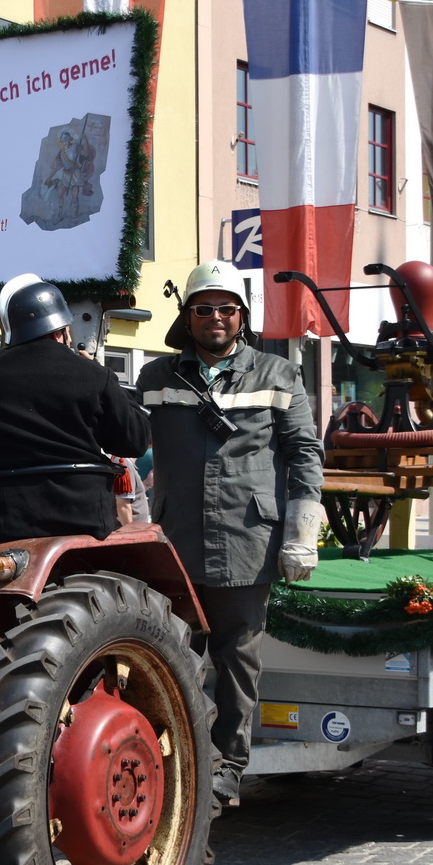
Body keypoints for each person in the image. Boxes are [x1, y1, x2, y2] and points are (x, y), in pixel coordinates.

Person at [135, 260, 324, 805]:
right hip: (175, 541)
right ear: (186, 316)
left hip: (247, 539)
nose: (215, 317)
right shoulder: (156, 377)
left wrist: (302, 534)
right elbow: (128, 443)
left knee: (238, 658)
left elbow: (305, 454)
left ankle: (229, 767)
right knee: (172, 657)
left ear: (241, 316)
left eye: (226, 308)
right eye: (203, 308)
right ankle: (179, 760)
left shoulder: (277, 374)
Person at [0, 275, 149, 541]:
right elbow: (134, 441)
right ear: (62, 329)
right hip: (84, 519)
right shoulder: (93, 374)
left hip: (1, 520)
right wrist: (102, 376)